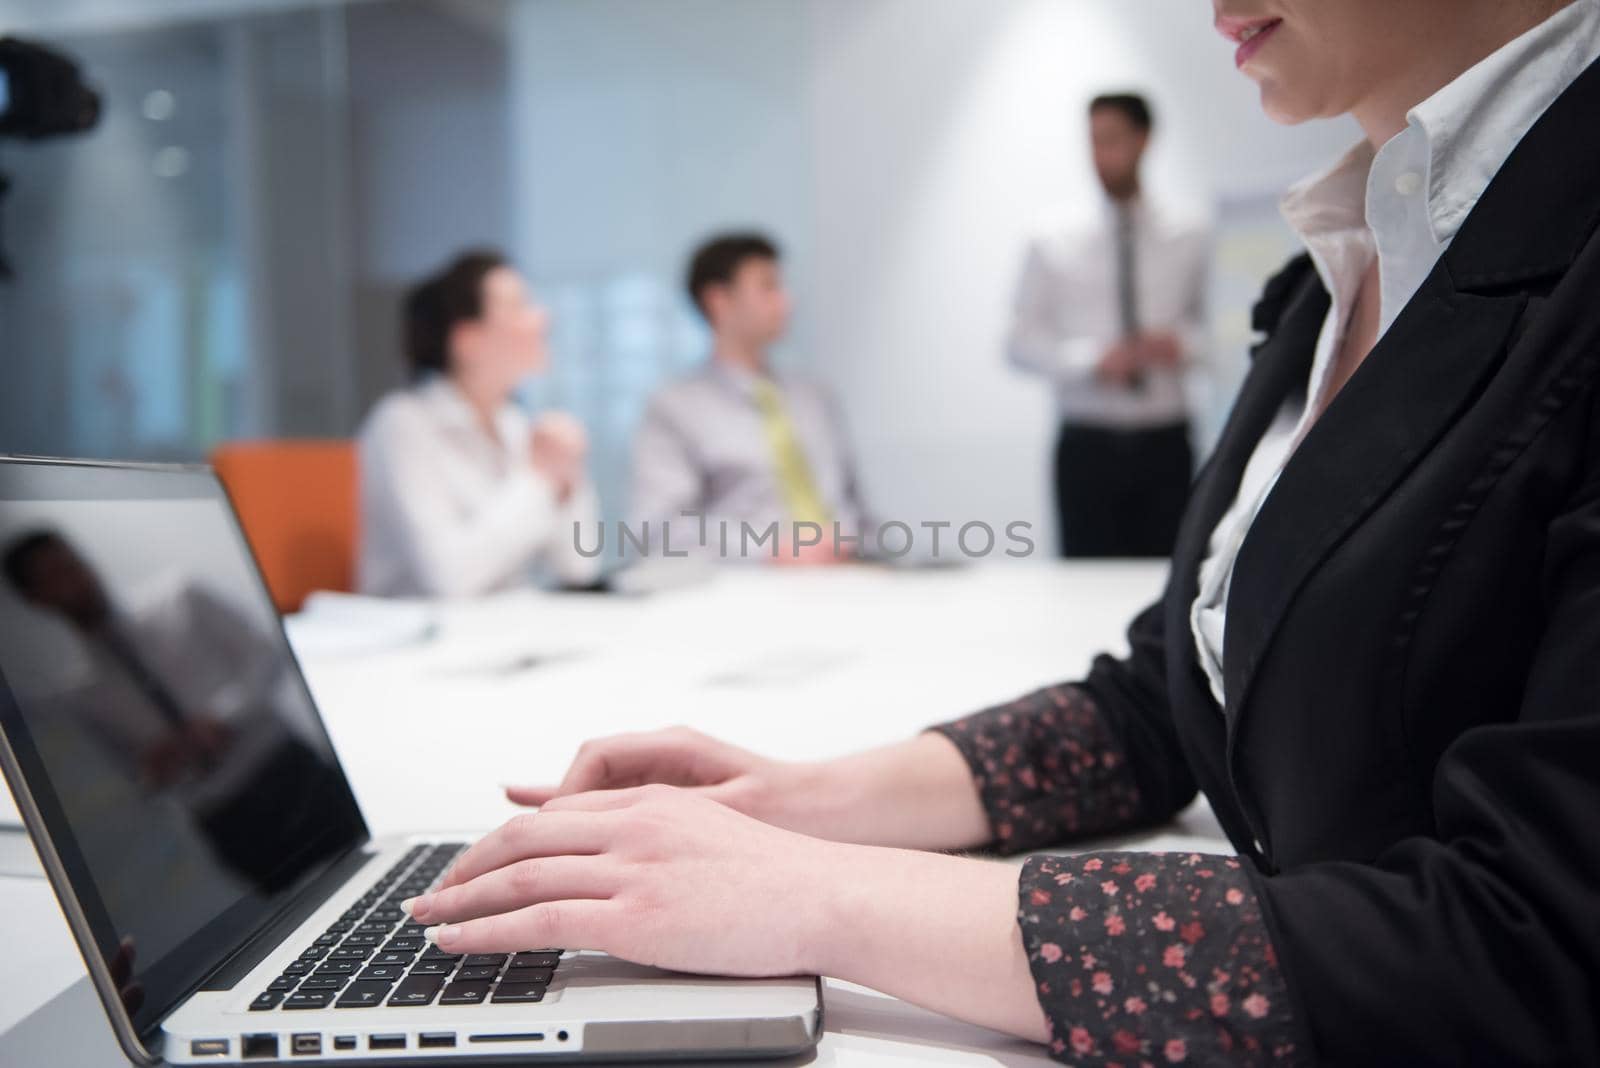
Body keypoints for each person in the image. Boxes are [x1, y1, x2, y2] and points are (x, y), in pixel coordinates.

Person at [398, 1, 1600, 1063]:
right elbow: (1165, 703)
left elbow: (1538, 949)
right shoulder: (1352, 257)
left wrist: (826, 895)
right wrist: (793, 802)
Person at [1010, 93, 1211, 558]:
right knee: (1085, 585)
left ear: (1143, 141)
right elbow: (1018, 342)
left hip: (1167, 442)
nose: (1101, 156)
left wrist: (1181, 346)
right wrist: (1091, 360)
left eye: (1112, 140)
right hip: (1086, 447)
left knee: (1170, 579)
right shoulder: (1051, 237)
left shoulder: (1190, 233)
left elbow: (1226, 332)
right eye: (1093, 142)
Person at [358, 250, 600, 597]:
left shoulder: (516, 426)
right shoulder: (402, 425)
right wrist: (537, 478)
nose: (542, 318)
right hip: (422, 636)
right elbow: (450, 580)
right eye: (519, 306)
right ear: (466, 340)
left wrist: (566, 482)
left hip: (501, 630)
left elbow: (578, 567)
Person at [629, 233, 870, 564]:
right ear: (719, 301)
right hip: (749, 590)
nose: (787, 301)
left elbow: (856, 507)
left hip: (848, 579)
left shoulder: (815, 398)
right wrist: (769, 550)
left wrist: (855, 542)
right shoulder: (675, 408)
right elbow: (659, 530)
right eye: (768, 287)